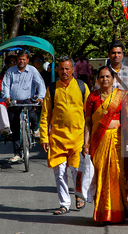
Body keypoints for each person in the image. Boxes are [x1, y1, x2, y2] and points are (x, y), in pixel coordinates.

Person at [40, 56, 90, 215]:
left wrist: (89, 139)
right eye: (61, 69)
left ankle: (79, 195)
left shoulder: (82, 87)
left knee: (76, 171)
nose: (64, 72)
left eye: (67, 68)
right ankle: (64, 204)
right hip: (57, 140)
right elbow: (45, 115)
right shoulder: (53, 88)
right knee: (60, 173)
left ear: (73, 70)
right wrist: (44, 137)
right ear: (57, 70)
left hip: (78, 139)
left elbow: (90, 113)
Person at [83, 66, 128, 223]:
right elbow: (88, 123)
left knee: (117, 175)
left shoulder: (122, 96)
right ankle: (103, 213)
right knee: (101, 176)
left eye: (107, 76)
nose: (105, 79)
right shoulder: (92, 97)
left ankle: (119, 212)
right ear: (97, 80)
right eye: (102, 77)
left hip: (117, 141)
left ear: (113, 79)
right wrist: (86, 144)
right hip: (98, 142)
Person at [96, 40, 128, 194]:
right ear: (108, 54)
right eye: (113, 52)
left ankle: (124, 180)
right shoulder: (103, 73)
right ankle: (107, 180)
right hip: (106, 119)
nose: (116, 55)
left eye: (119, 53)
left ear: (123, 55)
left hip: (126, 118)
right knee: (108, 149)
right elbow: (96, 96)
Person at [2, 50, 45, 162]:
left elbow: (40, 84)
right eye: (20, 59)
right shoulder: (10, 71)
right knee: (14, 127)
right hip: (14, 102)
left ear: (27, 60)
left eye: (24, 59)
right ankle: (17, 153)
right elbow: (5, 85)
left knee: (32, 115)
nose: (21, 61)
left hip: (27, 100)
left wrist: (41, 97)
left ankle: (35, 129)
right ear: (17, 60)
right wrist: (6, 96)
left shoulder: (32, 70)